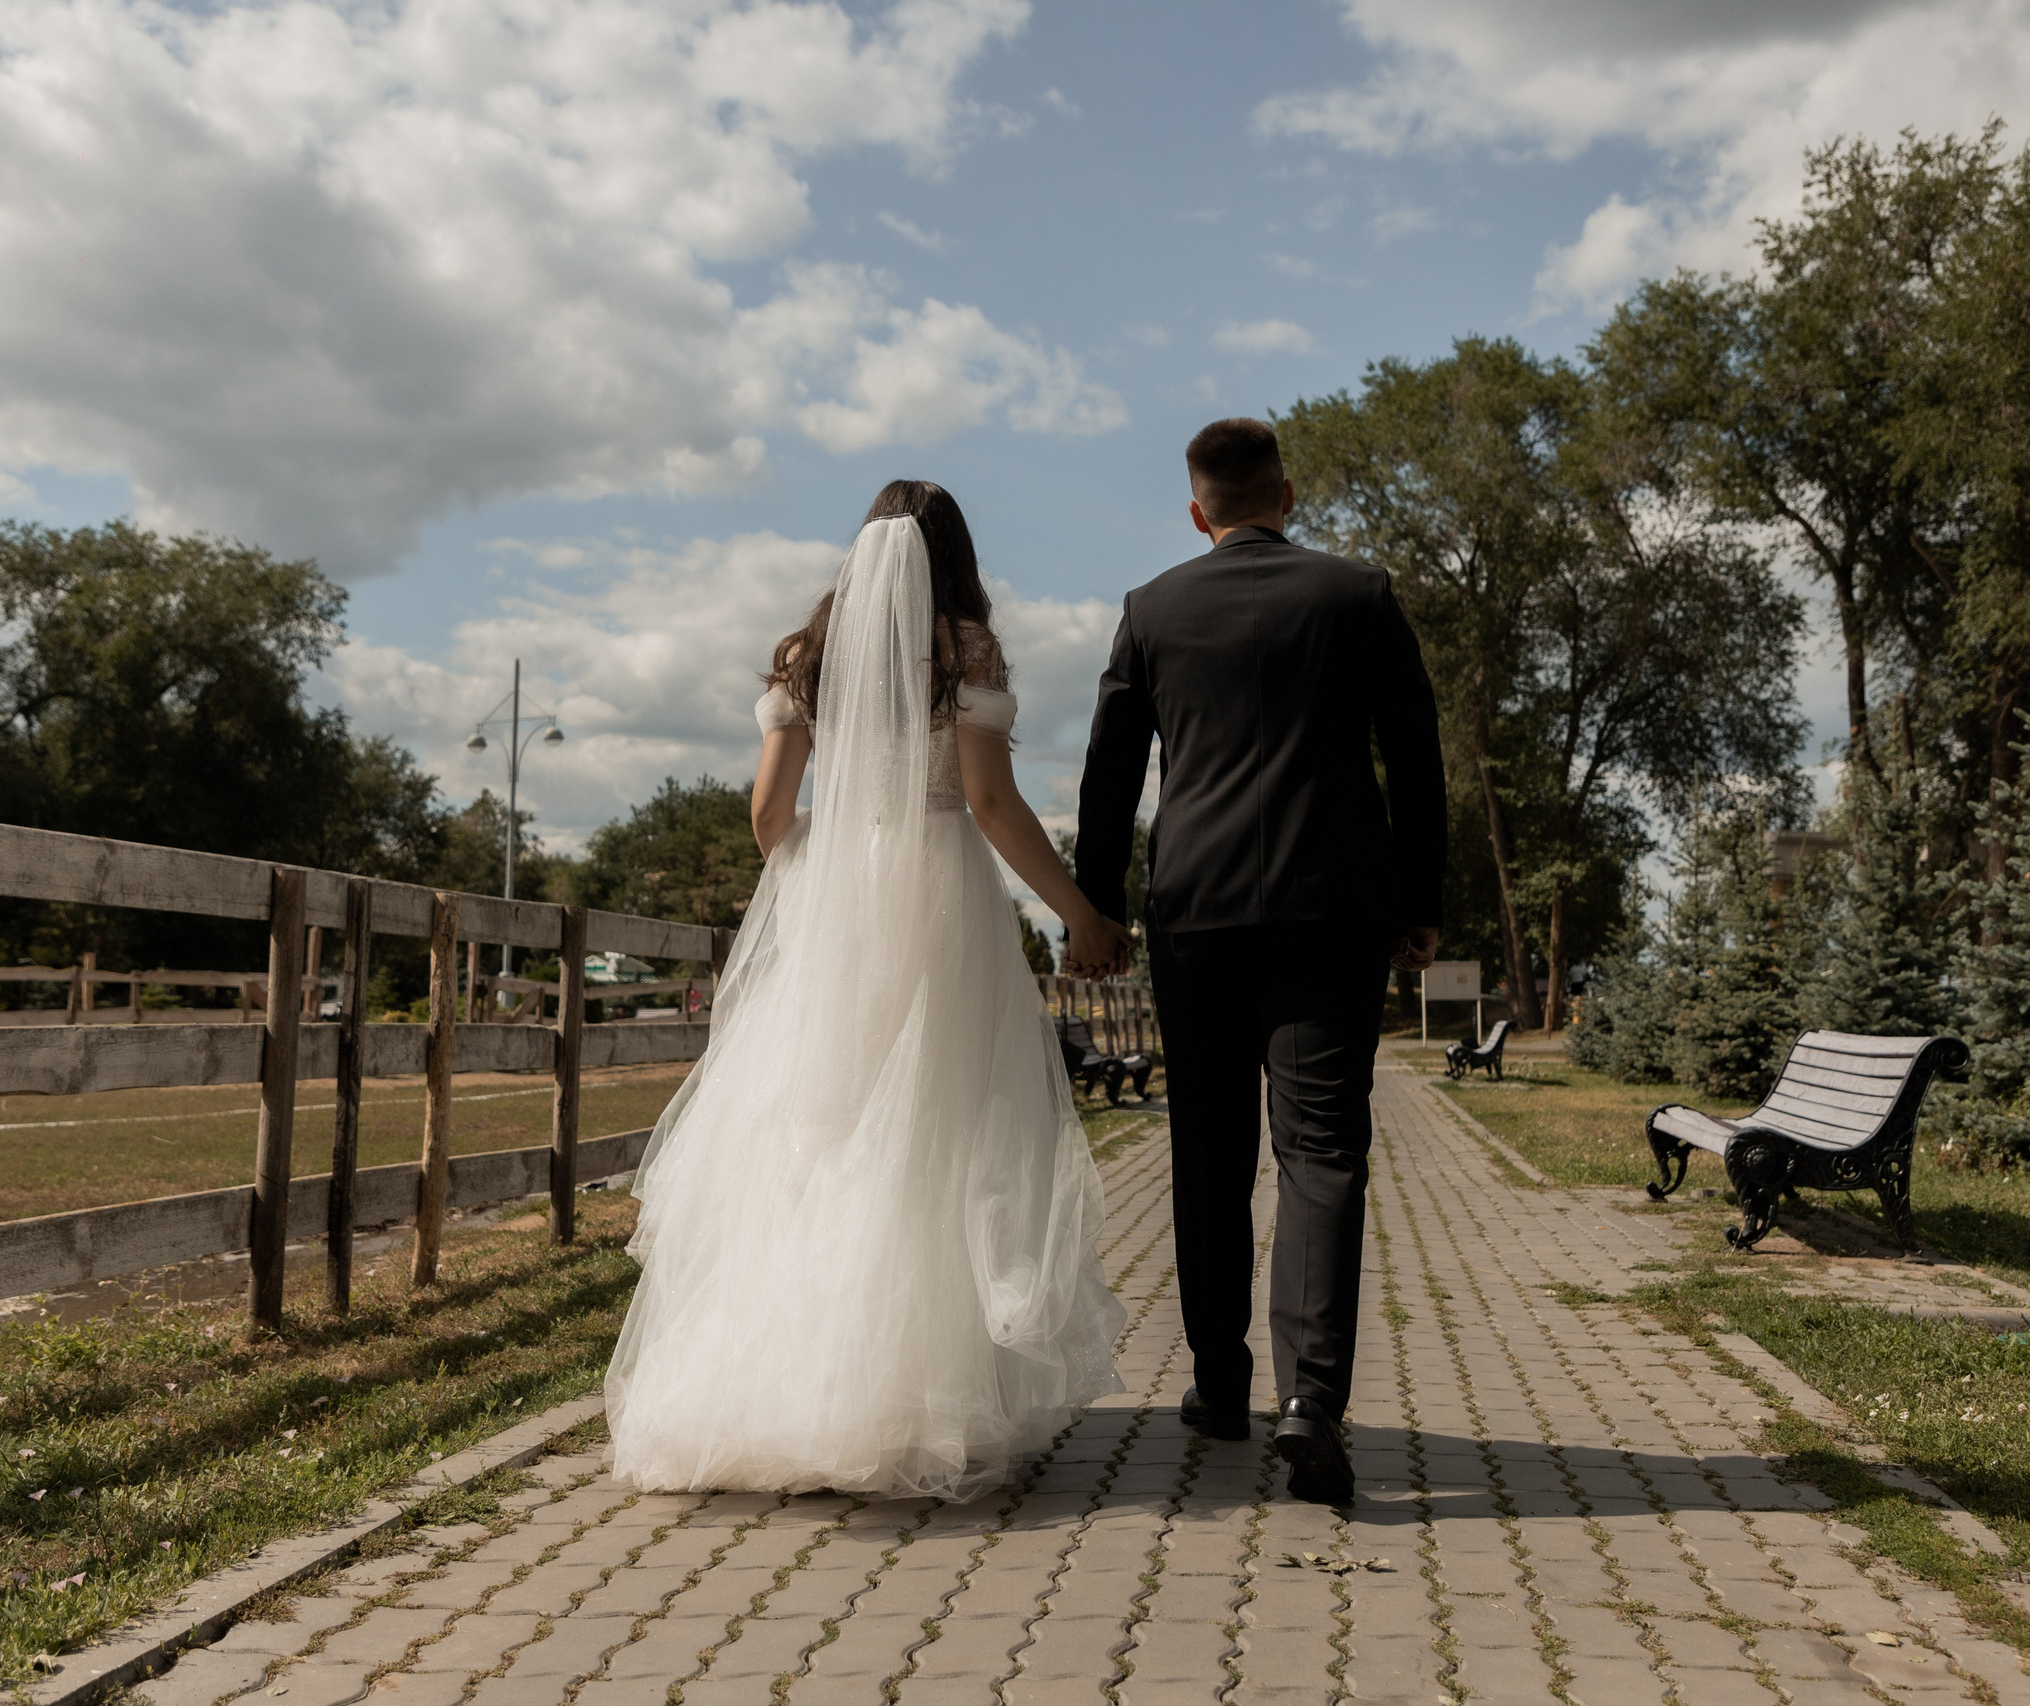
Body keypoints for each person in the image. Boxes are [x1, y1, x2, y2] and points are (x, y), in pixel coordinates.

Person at [602, 481, 1131, 1501]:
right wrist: (1081, 912)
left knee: (814, 1131)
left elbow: (766, 814)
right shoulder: (963, 648)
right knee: (938, 1133)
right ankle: (911, 1394)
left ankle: (781, 1392)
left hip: (832, 899)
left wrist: (826, 871)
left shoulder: (807, 656)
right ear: (951, 554)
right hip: (937, 900)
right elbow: (985, 799)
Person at [1075, 418, 1447, 1507]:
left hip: (1195, 916)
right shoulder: (1357, 595)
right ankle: (1312, 1402)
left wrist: (1095, 910)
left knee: (1210, 1148)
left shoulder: (1152, 609)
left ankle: (1220, 1383)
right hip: (1332, 913)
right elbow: (1414, 756)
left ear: (1198, 512)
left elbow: (1107, 778)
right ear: (1288, 493)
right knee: (1322, 1150)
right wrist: (1417, 903)